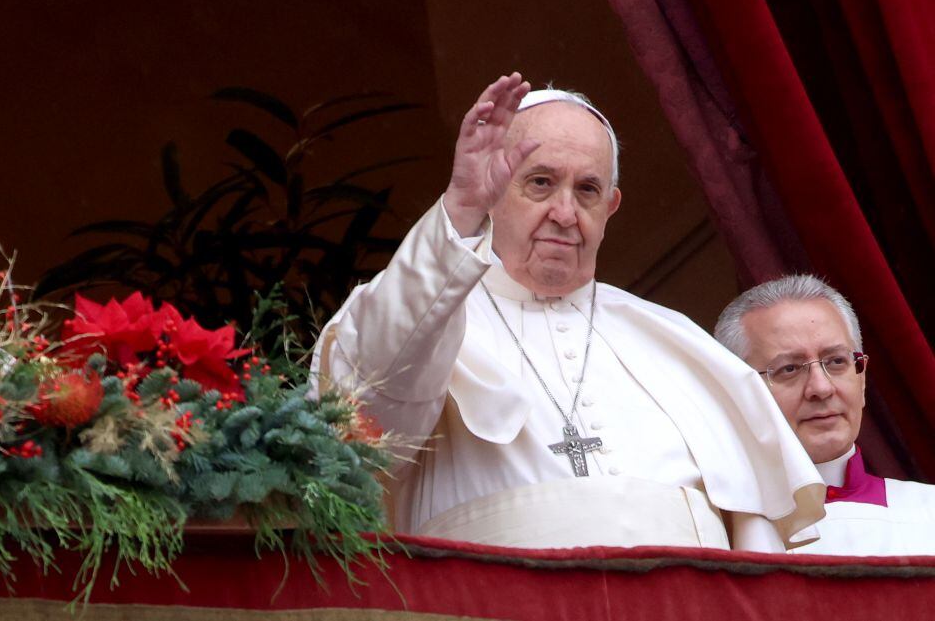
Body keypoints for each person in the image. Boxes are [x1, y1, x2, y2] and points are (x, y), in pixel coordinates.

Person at [312, 73, 823, 552]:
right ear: (493, 192)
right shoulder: (420, 313)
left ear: (611, 207)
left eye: (587, 190)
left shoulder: (677, 341)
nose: (564, 213)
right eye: (539, 183)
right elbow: (369, 418)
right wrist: (460, 206)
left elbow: (752, 547)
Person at [716, 274, 935, 555]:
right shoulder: (716, 535)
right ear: (736, 392)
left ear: (862, 379)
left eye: (836, 362)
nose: (821, 387)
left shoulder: (928, 514)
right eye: (789, 369)